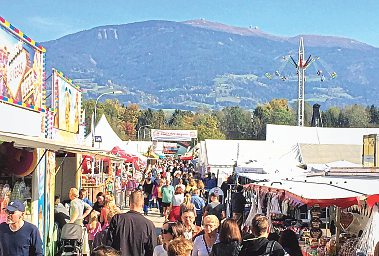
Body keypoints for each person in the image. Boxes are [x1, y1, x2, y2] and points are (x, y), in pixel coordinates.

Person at [106, 190, 157, 256]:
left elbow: (109, 244)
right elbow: (152, 250)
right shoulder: (149, 225)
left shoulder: (117, 219)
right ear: (142, 204)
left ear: (130, 203)